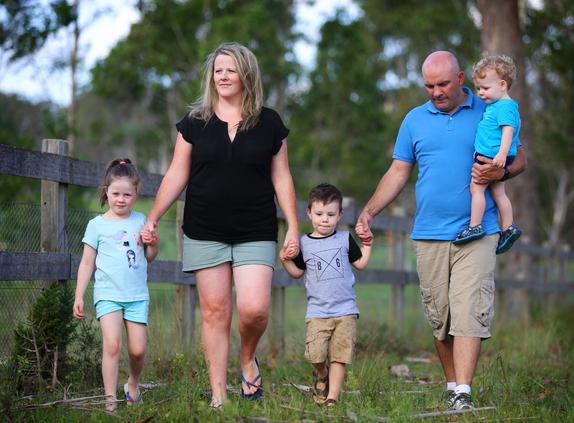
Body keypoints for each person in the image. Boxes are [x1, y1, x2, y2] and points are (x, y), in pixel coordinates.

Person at [355, 51, 527, 410]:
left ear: (461, 78)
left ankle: (463, 393)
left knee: (468, 310)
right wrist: (369, 212)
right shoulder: (414, 121)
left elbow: (520, 159)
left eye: (443, 84)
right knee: (441, 318)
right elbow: (398, 172)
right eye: (429, 86)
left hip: (478, 229)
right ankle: (452, 385)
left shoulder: (489, 108)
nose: (435, 92)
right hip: (429, 232)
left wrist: (501, 173)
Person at [143, 42, 299, 410]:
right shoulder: (194, 122)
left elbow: (283, 179)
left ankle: (247, 358)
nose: (223, 76)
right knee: (215, 312)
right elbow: (177, 173)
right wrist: (152, 217)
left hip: (255, 228)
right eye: (218, 70)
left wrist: (293, 225)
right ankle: (218, 394)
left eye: (230, 69)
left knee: (254, 309)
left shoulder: (269, 122)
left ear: (246, 74)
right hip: (204, 228)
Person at [73, 158, 159, 413]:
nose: (121, 199)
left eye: (127, 195)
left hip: (136, 295)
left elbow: (151, 256)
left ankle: (132, 385)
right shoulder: (96, 225)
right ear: (106, 192)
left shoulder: (142, 220)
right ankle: (110, 401)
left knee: (138, 349)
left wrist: (152, 241)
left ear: (136, 194)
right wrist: (79, 295)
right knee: (112, 345)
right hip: (108, 294)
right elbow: (87, 263)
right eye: (115, 194)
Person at [280, 183, 372, 406]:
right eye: (319, 214)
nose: (324, 219)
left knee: (340, 354)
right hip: (318, 310)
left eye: (331, 214)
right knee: (315, 354)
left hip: (345, 309)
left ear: (339, 215)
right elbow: (296, 273)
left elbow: (360, 263)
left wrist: (368, 243)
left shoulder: (344, 239)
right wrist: (284, 259)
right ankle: (322, 374)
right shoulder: (304, 243)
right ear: (309, 213)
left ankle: (332, 397)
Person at [453, 55, 522, 254]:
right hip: (495, 156)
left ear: (502, 84)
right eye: (478, 88)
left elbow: (508, 130)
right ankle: (508, 228)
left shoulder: (505, 107)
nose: (481, 93)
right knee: (499, 192)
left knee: (477, 189)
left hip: (492, 157)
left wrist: (501, 154)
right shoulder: (499, 105)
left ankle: (475, 226)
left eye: (485, 88)